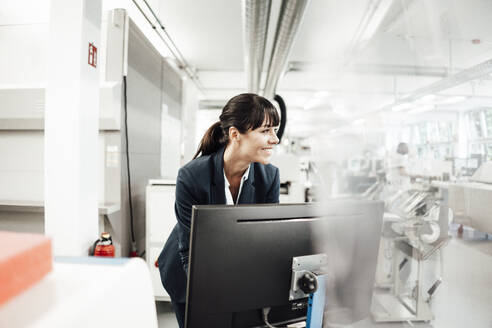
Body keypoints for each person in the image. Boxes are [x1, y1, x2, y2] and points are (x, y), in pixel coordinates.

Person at [157, 93, 281, 327]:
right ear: (235, 134)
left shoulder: (269, 176)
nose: (274, 139)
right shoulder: (192, 176)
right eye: (266, 131)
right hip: (187, 276)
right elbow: (188, 252)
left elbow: (266, 242)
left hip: (236, 276)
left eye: (275, 130)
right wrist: (214, 297)